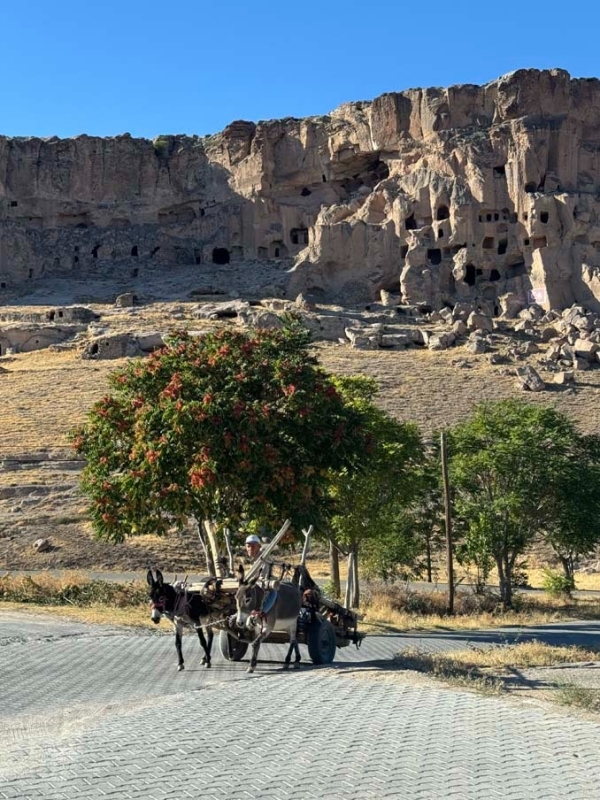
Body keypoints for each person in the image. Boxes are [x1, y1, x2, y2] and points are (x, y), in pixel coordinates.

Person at [244, 534, 278, 614]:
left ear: (259, 547)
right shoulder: (253, 561)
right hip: (252, 585)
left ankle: (262, 613)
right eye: (248, 546)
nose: (250, 549)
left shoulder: (263, 560)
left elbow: (263, 577)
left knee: (273, 592)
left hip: (261, 585)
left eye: (253, 546)